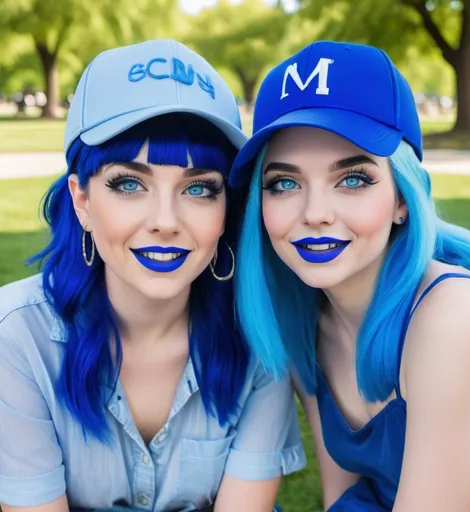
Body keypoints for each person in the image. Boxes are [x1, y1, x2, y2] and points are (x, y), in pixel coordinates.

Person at [0, 40, 305, 512]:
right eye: (129, 184)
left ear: (228, 209)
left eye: (200, 188)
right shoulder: (16, 338)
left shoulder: (261, 340)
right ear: (82, 201)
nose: (166, 221)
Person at [230, 41, 470, 511]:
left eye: (353, 179)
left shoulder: (456, 316)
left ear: (403, 198)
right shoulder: (303, 323)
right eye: (284, 183)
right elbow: (345, 499)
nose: (315, 213)